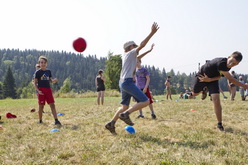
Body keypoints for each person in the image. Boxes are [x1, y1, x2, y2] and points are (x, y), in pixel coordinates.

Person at [105, 22, 159, 134]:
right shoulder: (130, 53)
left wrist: (149, 51)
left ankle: (111, 124)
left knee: (124, 106)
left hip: (122, 83)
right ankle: (125, 115)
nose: (136, 48)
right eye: (135, 46)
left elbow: (139, 56)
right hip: (128, 82)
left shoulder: (127, 56)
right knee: (146, 101)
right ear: (131, 47)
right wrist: (151, 33)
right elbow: (142, 44)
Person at [191, 51, 248, 131]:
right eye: (231, 61)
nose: (231, 64)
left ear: (237, 64)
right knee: (195, 94)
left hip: (212, 80)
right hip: (202, 77)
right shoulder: (221, 63)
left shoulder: (228, 67)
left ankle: (219, 124)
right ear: (228, 57)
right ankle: (204, 90)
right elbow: (231, 79)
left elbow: (219, 77)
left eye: (234, 64)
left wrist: (209, 80)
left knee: (216, 100)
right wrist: (245, 86)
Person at [33, 56, 61, 125]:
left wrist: (54, 80)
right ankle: (40, 121)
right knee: (41, 106)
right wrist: (38, 90)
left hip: (48, 90)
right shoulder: (38, 72)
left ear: (46, 63)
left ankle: (56, 120)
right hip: (41, 90)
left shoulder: (48, 71)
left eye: (44, 62)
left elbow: (50, 80)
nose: (43, 64)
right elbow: (35, 83)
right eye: (41, 62)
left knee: (52, 105)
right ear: (39, 63)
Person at [135, 48, 156, 119]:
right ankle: (141, 114)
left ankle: (152, 113)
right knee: (138, 101)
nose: (136, 63)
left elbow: (148, 79)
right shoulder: (135, 71)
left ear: (140, 62)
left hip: (144, 87)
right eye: (135, 62)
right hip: (138, 88)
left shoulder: (144, 70)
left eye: (137, 62)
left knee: (149, 100)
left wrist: (145, 87)